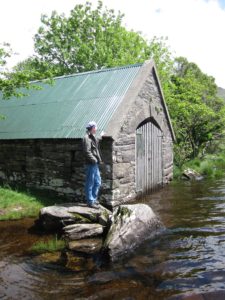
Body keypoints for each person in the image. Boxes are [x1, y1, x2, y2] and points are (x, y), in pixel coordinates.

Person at [83, 121, 103, 208]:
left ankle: (94, 199)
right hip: (91, 163)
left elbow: (96, 141)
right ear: (92, 128)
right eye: (96, 127)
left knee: (98, 182)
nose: (96, 129)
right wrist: (94, 160)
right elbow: (87, 152)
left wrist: (101, 136)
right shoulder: (86, 138)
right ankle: (90, 202)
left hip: (95, 164)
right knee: (90, 182)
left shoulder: (92, 137)